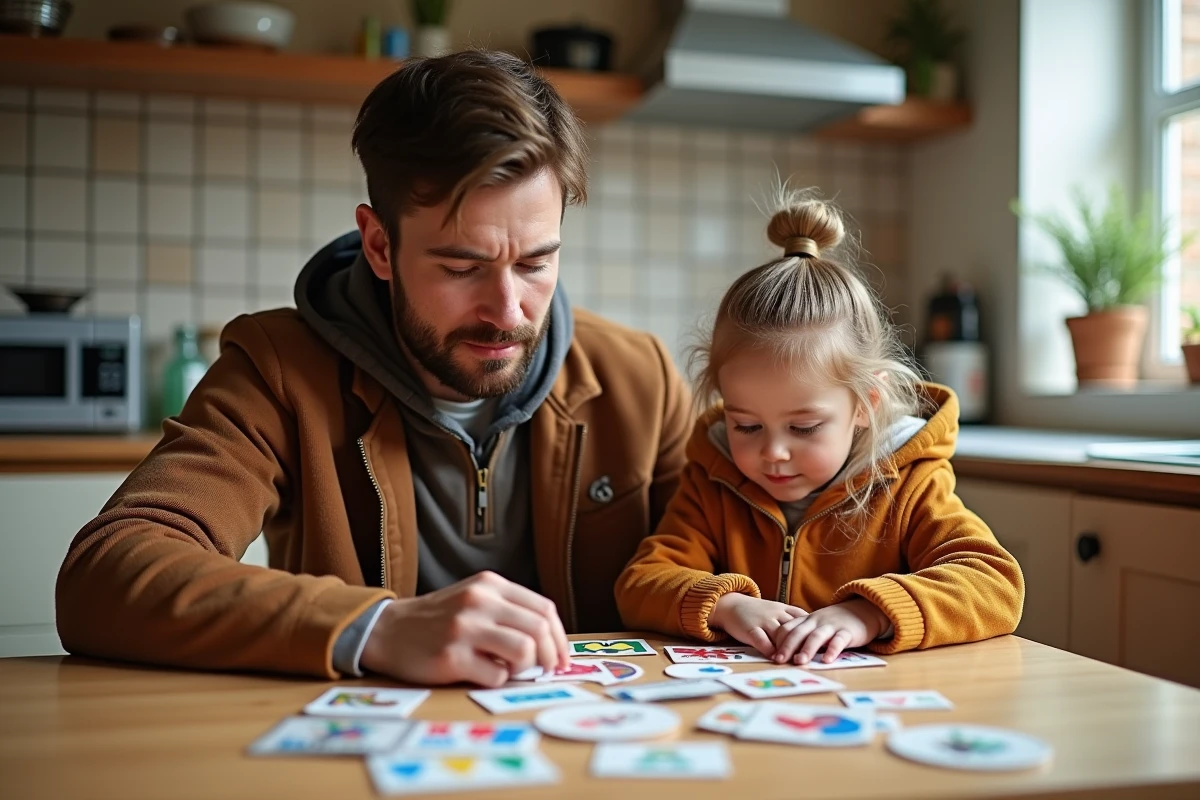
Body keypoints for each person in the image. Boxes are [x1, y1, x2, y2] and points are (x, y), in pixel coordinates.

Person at [55, 50, 692, 687]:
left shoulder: (641, 380)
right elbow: (104, 574)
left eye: (534, 264)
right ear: (380, 245)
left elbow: (731, 556)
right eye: (461, 268)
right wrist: (376, 628)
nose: (507, 311)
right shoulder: (276, 372)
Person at [615, 188, 1023, 666]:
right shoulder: (713, 481)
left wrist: (867, 613)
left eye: (804, 427)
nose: (773, 452)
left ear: (866, 403)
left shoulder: (909, 482)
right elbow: (640, 582)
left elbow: (994, 583)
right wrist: (727, 605)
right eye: (746, 425)